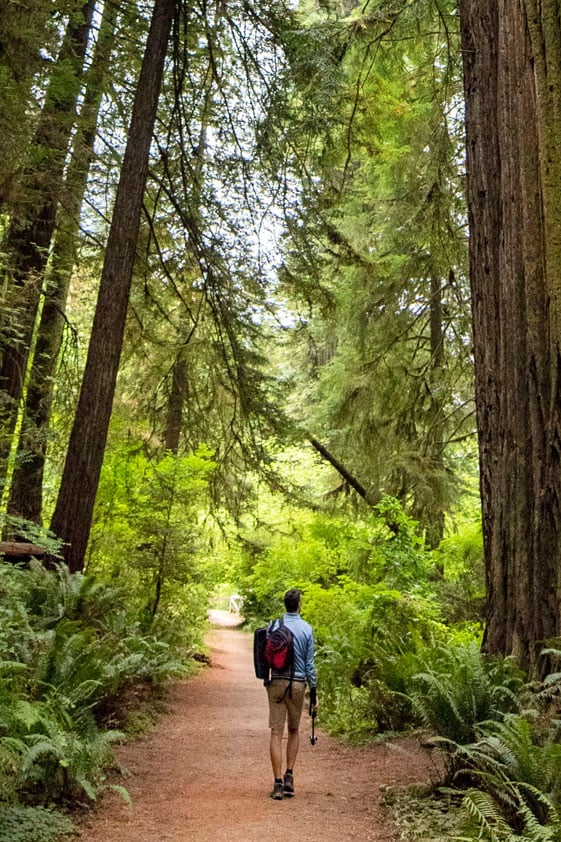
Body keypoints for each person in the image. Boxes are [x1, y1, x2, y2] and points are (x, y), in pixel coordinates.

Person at [266, 588, 318, 801]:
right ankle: (289, 776)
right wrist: (313, 692)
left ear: (285, 604)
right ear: (299, 605)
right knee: (294, 730)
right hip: (297, 684)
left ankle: (277, 784)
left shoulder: (273, 626)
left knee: (276, 733)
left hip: (276, 682)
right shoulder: (307, 629)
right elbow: (309, 665)